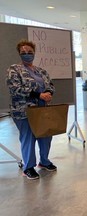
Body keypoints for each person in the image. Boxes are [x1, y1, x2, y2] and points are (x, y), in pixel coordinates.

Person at [6, 39, 56, 180]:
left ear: (34, 53)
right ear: (19, 54)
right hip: (23, 111)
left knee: (45, 135)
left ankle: (44, 162)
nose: (27, 54)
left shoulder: (41, 71)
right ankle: (28, 167)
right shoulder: (14, 70)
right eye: (24, 52)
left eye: (30, 52)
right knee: (28, 138)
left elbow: (50, 85)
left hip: (42, 109)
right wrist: (38, 94)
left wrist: (48, 94)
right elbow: (15, 89)